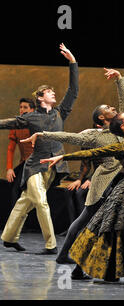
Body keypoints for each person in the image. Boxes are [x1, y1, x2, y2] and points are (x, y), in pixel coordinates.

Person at [40, 64, 124, 285]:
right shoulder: (114, 144)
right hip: (123, 192)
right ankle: (84, 266)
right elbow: (90, 151)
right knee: (105, 229)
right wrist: (61, 157)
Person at [21, 68, 124, 270]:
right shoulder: (94, 135)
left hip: (120, 183)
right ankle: (69, 257)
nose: (113, 108)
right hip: (103, 184)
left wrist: (119, 80)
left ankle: (96, 261)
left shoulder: (121, 128)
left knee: (104, 222)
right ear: (101, 118)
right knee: (86, 220)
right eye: (108, 108)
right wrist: (42, 134)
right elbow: (69, 137)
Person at [0, 43, 78, 254]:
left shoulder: (60, 112)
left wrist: (72, 62)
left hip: (53, 167)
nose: (53, 93)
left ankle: (8, 237)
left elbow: (73, 90)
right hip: (35, 167)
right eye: (50, 92)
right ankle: (51, 245)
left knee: (26, 202)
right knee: (41, 203)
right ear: (41, 97)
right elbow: (8, 122)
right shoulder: (31, 117)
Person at [6, 98, 35, 208]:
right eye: (21, 107)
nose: (22, 110)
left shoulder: (36, 125)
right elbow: (10, 149)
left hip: (37, 163)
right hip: (24, 163)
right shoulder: (16, 125)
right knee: (14, 187)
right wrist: (9, 168)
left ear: (32, 110)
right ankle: (16, 222)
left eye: (25, 107)